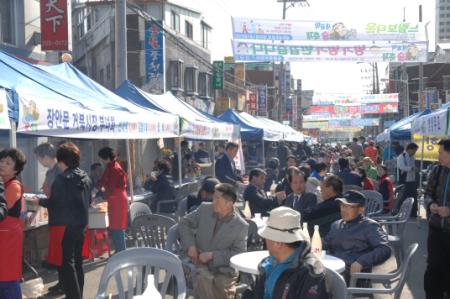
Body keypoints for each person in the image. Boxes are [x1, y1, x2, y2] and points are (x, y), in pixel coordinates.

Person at [37, 142, 92, 299]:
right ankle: (78, 295)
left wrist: (38, 202)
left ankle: (73, 296)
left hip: (68, 225)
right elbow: (88, 201)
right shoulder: (85, 176)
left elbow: (55, 203)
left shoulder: (62, 179)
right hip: (82, 224)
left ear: (61, 161)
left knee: (67, 263)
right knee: (78, 263)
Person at [179, 183, 249, 299]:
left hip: (224, 268)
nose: (213, 200)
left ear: (229, 204)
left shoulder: (241, 226)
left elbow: (239, 254)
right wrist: (191, 245)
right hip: (198, 261)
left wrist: (212, 255)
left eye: (217, 198)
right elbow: (184, 223)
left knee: (220, 285)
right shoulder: (205, 209)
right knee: (204, 277)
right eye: (213, 196)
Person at [249, 207, 329, 299]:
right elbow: (252, 292)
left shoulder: (310, 273)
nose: (264, 241)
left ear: (278, 243)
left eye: (266, 237)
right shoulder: (269, 263)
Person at [323, 191, 391, 284]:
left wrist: (362, 261)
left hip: (353, 276)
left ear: (361, 209)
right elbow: (325, 243)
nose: (343, 209)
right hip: (332, 270)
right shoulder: (336, 225)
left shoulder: (369, 226)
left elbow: (384, 249)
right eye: (342, 205)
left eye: (349, 206)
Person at [34, 142, 67, 295]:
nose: (39, 162)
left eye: (39, 159)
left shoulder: (58, 172)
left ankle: (65, 285)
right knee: (59, 253)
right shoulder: (51, 172)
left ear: (45, 157)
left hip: (62, 217)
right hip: (57, 216)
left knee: (62, 253)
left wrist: (40, 201)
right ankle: (62, 282)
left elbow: (57, 199)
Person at [423, 139, 450, 299]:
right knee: (433, 269)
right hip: (436, 230)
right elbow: (428, 193)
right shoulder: (437, 170)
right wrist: (431, 204)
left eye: (441, 152)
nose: (437, 155)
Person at [0, 148, 26, 299]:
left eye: (8, 163)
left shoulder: (14, 185)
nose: (2, 164)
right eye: (2, 161)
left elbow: (3, 209)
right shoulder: (3, 183)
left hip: (8, 236)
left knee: (8, 276)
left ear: (16, 169)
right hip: (5, 233)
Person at [96, 147, 128, 253]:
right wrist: (96, 189)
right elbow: (102, 180)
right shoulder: (110, 166)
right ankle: (120, 250)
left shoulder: (115, 168)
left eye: (102, 158)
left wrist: (100, 197)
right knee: (115, 228)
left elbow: (110, 187)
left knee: (117, 228)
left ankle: (121, 252)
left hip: (117, 199)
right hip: (115, 199)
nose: (101, 160)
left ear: (106, 158)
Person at [397, 142, 419, 217]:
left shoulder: (412, 157)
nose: (415, 152)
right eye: (414, 151)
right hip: (404, 180)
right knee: (402, 197)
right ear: (409, 149)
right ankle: (396, 212)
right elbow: (401, 167)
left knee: (414, 197)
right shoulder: (401, 156)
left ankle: (413, 213)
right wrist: (412, 168)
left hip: (412, 180)